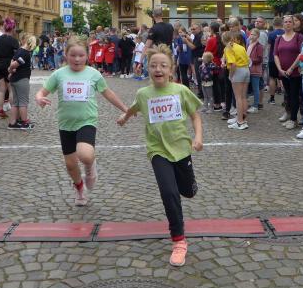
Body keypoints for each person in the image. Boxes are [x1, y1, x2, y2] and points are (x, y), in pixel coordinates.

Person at [117, 44, 203, 267]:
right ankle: (179, 240)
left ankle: (190, 185)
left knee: (187, 191)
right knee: (169, 192)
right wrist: (124, 118)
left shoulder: (181, 91)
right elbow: (134, 108)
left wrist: (198, 137)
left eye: (163, 65)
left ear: (171, 69)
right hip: (157, 150)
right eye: (153, 65)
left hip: (181, 149)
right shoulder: (143, 94)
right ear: (148, 68)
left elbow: (195, 116)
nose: (158, 69)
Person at [35, 37, 128, 206]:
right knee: (70, 165)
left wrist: (125, 109)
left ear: (87, 55)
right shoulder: (59, 74)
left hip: (87, 121)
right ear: (66, 55)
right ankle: (79, 188)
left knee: (85, 154)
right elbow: (42, 92)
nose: (77, 59)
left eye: (81, 55)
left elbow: (108, 93)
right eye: (73, 55)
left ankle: (90, 167)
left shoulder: (93, 74)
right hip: (66, 124)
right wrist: (39, 98)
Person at [274, 15, 303, 130]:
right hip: (283, 72)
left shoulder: (298, 37)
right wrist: (279, 69)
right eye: (285, 22)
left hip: (295, 72)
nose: (287, 24)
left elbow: (301, 54)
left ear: (293, 24)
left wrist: (291, 68)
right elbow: (276, 54)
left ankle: (294, 119)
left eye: (290, 22)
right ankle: (291, 117)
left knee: (294, 95)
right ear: (283, 24)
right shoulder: (279, 38)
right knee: (288, 95)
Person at [7, 34, 36, 130]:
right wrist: (11, 69)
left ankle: (12, 123)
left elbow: (12, 61)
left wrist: (11, 70)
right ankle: (24, 122)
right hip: (22, 79)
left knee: (15, 102)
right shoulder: (25, 53)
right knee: (23, 102)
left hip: (15, 79)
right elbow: (15, 64)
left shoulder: (19, 50)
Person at [223, 31, 250, 130]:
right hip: (246, 69)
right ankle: (242, 119)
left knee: (238, 97)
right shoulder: (240, 47)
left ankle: (240, 122)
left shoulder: (228, 48)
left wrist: (230, 76)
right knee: (243, 97)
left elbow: (233, 64)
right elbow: (248, 60)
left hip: (238, 71)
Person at [0, 18, 19, 119]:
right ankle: (14, 112)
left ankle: (0, 111)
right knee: (11, 89)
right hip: (8, 66)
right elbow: (16, 55)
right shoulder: (13, 41)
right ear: (13, 28)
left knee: (1, 89)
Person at [267, 17, 284, 105]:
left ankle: (272, 98)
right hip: (283, 58)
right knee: (284, 78)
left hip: (272, 58)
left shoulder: (271, 34)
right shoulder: (285, 33)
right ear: (282, 23)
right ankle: (286, 99)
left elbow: (269, 47)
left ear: (273, 24)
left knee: (272, 78)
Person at [246, 28, 264, 113]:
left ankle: (255, 106)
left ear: (258, 36)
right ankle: (248, 104)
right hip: (248, 69)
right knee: (249, 88)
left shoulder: (259, 46)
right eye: (251, 34)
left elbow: (260, 59)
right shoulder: (249, 44)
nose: (252, 36)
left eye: (254, 35)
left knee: (256, 88)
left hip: (255, 70)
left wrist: (250, 60)